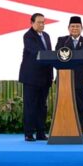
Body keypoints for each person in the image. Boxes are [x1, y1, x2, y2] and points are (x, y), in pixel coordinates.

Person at [55, 16, 83, 141]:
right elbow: (56, 58)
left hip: (81, 79)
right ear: (68, 28)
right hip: (64, 80)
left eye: (77, 26)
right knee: (63, 106)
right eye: (72, 26)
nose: (75, 28)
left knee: (80, 106)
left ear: (82, 28)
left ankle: (81, 131)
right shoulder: (62, 41)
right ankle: (64, 130)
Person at [19, 13, 53, 142]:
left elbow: (49, 54)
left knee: (42, 106)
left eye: (43, 22)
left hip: (45, 77)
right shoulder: (28, 36)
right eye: (39, 22)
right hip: (31, 77)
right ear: (32, 23)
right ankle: (28, 133)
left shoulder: (46, 36)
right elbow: (37, 52)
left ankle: (40, 132)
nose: (42, 24)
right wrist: (51, 56)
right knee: (30, 105)